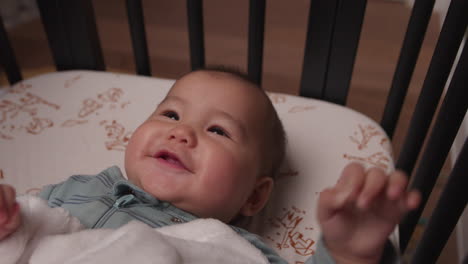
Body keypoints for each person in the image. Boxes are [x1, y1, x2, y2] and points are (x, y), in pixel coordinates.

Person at [0, 68, 420, 263]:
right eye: (170, 115)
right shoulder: (78, 188)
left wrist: (346, 253)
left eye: (218, 131)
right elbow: (27, 235)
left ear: (255, 195)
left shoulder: (231, 250)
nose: (183, 133)